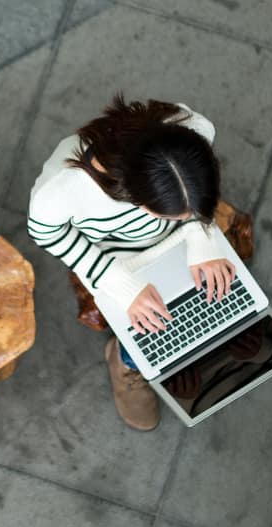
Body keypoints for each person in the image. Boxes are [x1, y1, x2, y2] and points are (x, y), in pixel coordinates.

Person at [27, 94, 235, 431]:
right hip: (117, 260)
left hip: (186, 243)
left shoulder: (193, 127)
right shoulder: (60, 191)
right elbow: (46, 234)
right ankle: (125, 361)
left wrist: (200, 234)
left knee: (218, 298)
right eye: (168, 211)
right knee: (143, 323)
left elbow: (194, 204)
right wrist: (117, 281)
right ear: (131, 194)